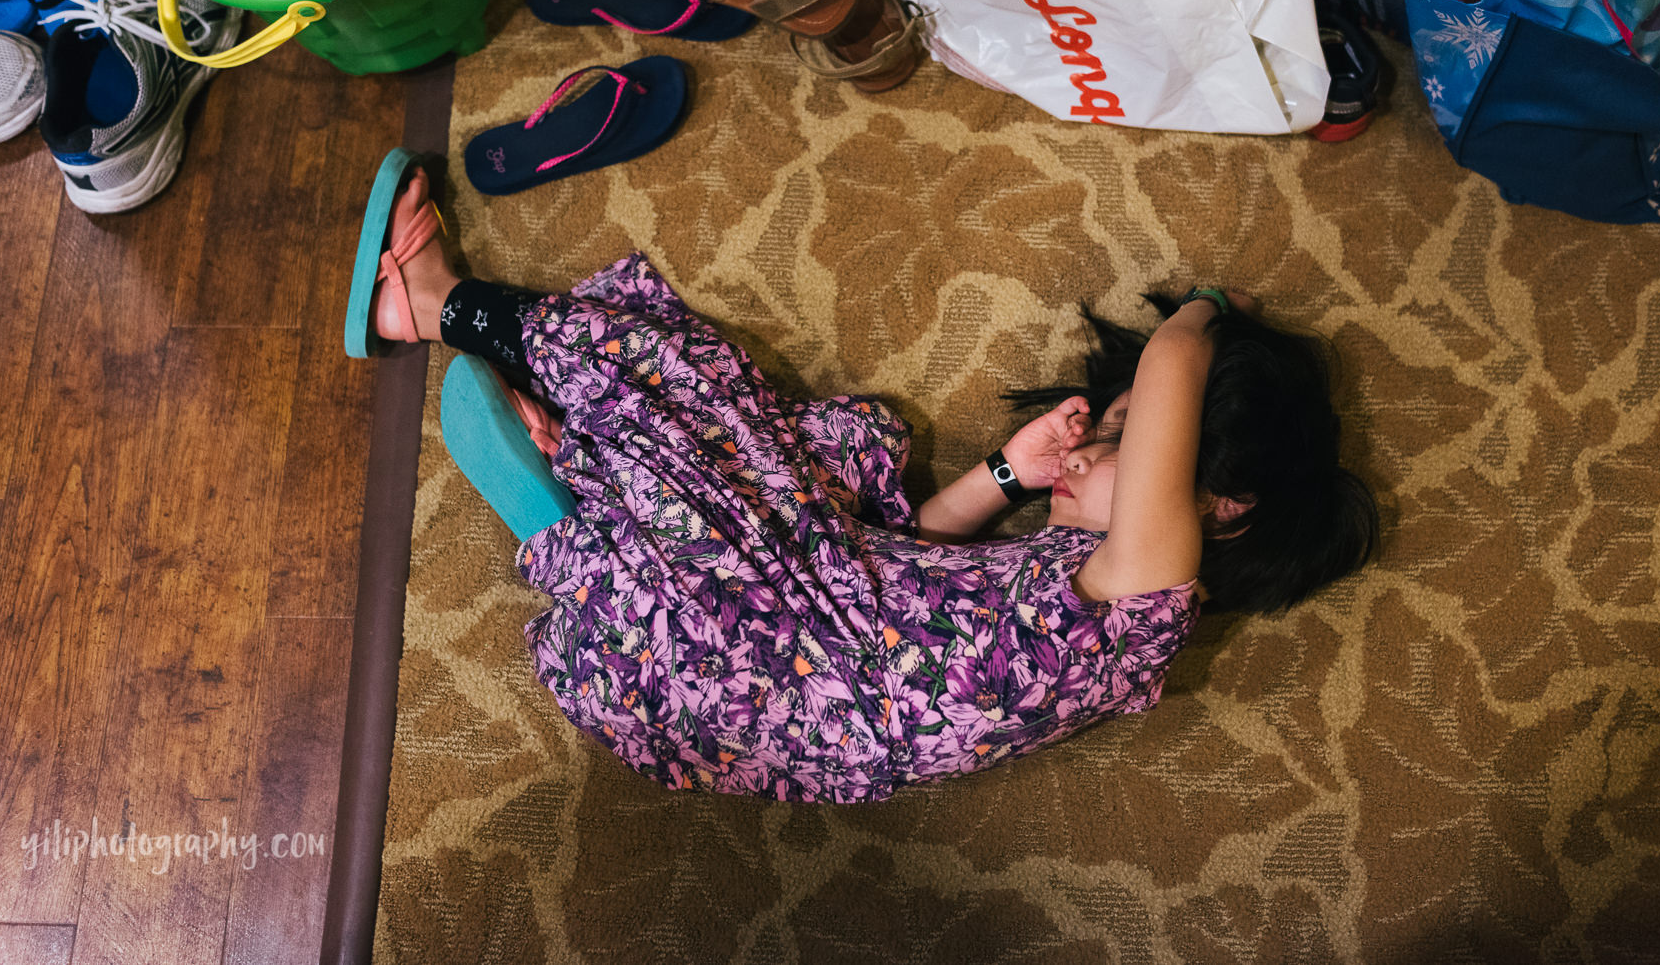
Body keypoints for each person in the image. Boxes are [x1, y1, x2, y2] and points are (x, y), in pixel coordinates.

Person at [347, 152, 1380, 802]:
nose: (1082, 450)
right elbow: (899, 576)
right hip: (800, 662)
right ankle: (588, 472)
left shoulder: (1152, 590)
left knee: (714, 413)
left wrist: (1205, 307)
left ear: (1220, 501)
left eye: (1122, 437)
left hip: (773, 670)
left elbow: (1175, 364)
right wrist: (1002, 475)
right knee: (815, 452)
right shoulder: (1083, 583)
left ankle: (443, 314)